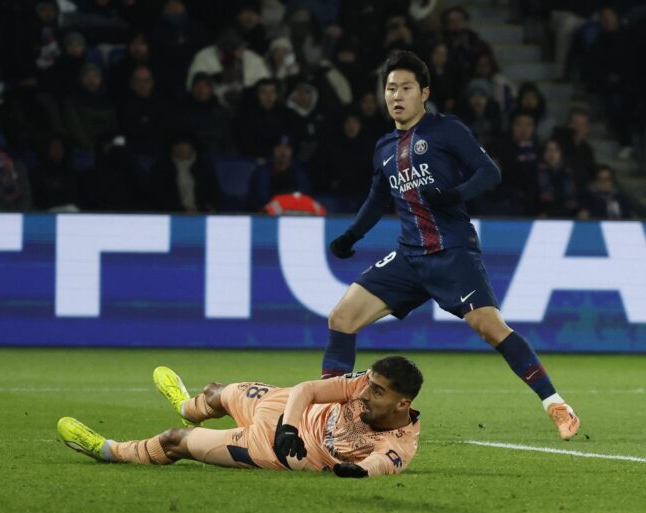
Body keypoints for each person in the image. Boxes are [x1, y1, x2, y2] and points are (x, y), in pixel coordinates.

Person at [324, 51, 580, 441]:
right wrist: (350, 237)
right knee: (341, 318)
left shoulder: (446, 130)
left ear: (424, 93)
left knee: (490, 327)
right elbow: (378, 199)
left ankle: (557, 405)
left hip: (453, 253)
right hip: (409, 257)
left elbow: (489, 172)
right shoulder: (383, 147)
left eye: (406, 88)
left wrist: (452, 195)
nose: (397, 95)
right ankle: (333, 419)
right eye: (391, 88)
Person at [58, 355, 423, 478]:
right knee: (216, 392)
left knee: (175, 441)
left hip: (269, 448)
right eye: (368, 383)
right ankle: (188, 407)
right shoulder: (363, 383)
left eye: (377, 391)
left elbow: (380, 464)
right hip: (283, 410)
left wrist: (355, 471)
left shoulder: (399, 444)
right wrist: (291, 426)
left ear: (401, 404)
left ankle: (107, 450)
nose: (364, 392)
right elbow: (307, 390)